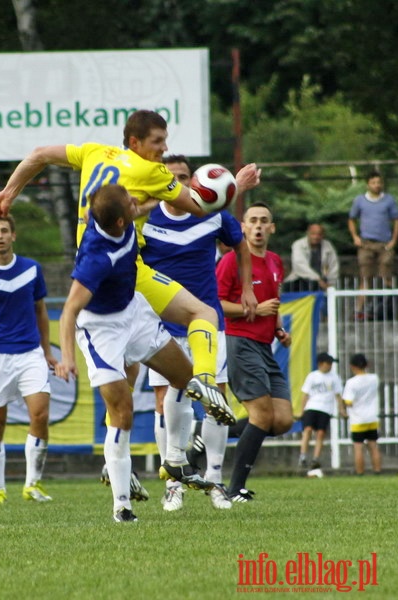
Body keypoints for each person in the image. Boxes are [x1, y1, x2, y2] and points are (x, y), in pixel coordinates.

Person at [0, 110, 256, 429]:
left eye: (165, 140)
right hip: (129, 272)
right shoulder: (150, 171)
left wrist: (10, 192)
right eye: (157, 141)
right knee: (204, 315)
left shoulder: (93, 152)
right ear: (134, 142)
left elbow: (39, 154)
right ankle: (206, 382)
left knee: (128, 378)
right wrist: (235, 184)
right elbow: (199, 207)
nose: (163, 148)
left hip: (95, 270)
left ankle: (136, 457)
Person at [56, 184, 215, 523]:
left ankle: (176, 459)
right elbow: (69, 310)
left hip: (134, 312)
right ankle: (122, 506)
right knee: (122, 411)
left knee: (185, 378)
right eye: (130, 202)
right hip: (102, 330)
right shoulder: (97, 259)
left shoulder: (117, 217)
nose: (136, 203)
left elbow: (140, 208)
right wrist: (67, 358)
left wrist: (186, 196)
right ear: (117, 222)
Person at [141, 155, 253, 511]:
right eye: (171, 177)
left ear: (193, 181)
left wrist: (247, 288)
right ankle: (174, 480)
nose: (178, 182)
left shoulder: (213, 215)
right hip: (162, 324)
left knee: (215, 399)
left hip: (206, 320)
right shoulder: (145, 219)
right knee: (167, 398)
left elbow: (241, 244)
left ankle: (216, 482)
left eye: (184, 176)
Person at [0, 214, 57, 505]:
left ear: (13, 235)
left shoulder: (32, 269)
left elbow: (41, 312)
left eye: (5, 230)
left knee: (40, 414)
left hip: (30, 353)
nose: (0, 235)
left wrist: (47, 351)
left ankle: (32, 484)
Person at [217, 202, 293, 503]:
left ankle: (206, 436)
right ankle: (234, 489)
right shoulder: (231, 260)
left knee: (282, 420)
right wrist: (254, 309)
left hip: (265, 346)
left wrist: (277, 328)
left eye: (264, 221)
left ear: (272, 227)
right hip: (239, 341)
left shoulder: (275, 261)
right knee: (262, 415)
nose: (259, 226)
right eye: (253, 221)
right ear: (243, 227)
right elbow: (216, 303)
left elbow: (273, 301)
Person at [348, 171, 398, 319]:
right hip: (366, 244)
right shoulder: (359, 200)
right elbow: (351, 218)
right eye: (374, 183)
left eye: (379, 182)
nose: (377, 185)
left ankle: (388, 309)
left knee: (386, 275)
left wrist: (394, 240)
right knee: (365, 277)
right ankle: (359, 309)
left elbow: (396, 219)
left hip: (385, 244)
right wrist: (355, 237)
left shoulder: (389, 200)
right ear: (368, 184)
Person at [298, 352, 344, 474]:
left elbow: (338, 395)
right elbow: (305, 395)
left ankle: (315, 458)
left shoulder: (334, 377)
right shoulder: (312, 376)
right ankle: (303, 455)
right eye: (328, 363)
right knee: (307, 430)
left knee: (320, 433)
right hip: (312, 406)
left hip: (325, 408)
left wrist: (341, 409)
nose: (329, 366)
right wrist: (301, 411)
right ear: (320, 364)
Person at [341, 353, 382, 475]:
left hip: (358, 419)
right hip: (372, 417)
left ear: (352, 366)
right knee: (373, 446)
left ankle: (360, 472)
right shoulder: (374, 378)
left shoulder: (351, 383)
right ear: (367, 364)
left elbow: (348, 402)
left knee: (358, 447)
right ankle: (377, 471)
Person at [283, 223, 340, 292]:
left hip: (323, 281)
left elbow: (333, 265)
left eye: (319, 234)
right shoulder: (298, 244)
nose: (316, 237)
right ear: (308, 233)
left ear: (323, 235)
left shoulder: (328, 246)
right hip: (300, 280)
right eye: (313, 234)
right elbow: (299, 265)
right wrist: (317, 279)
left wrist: (330, 283)